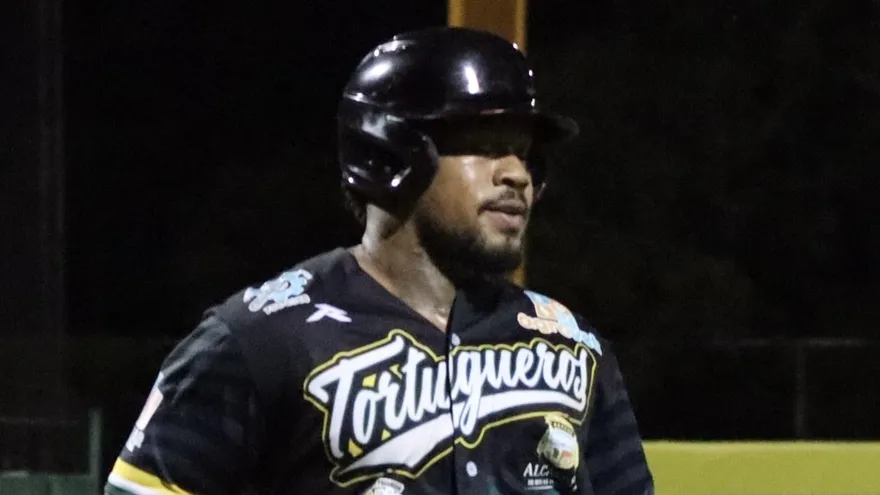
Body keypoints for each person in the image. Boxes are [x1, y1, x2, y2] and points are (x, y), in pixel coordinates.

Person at [104, 26, 654, 495]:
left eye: (525, 154)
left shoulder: (572, 348)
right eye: (485, 144)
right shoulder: (259, 339)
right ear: (388, 152)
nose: (516, 174)